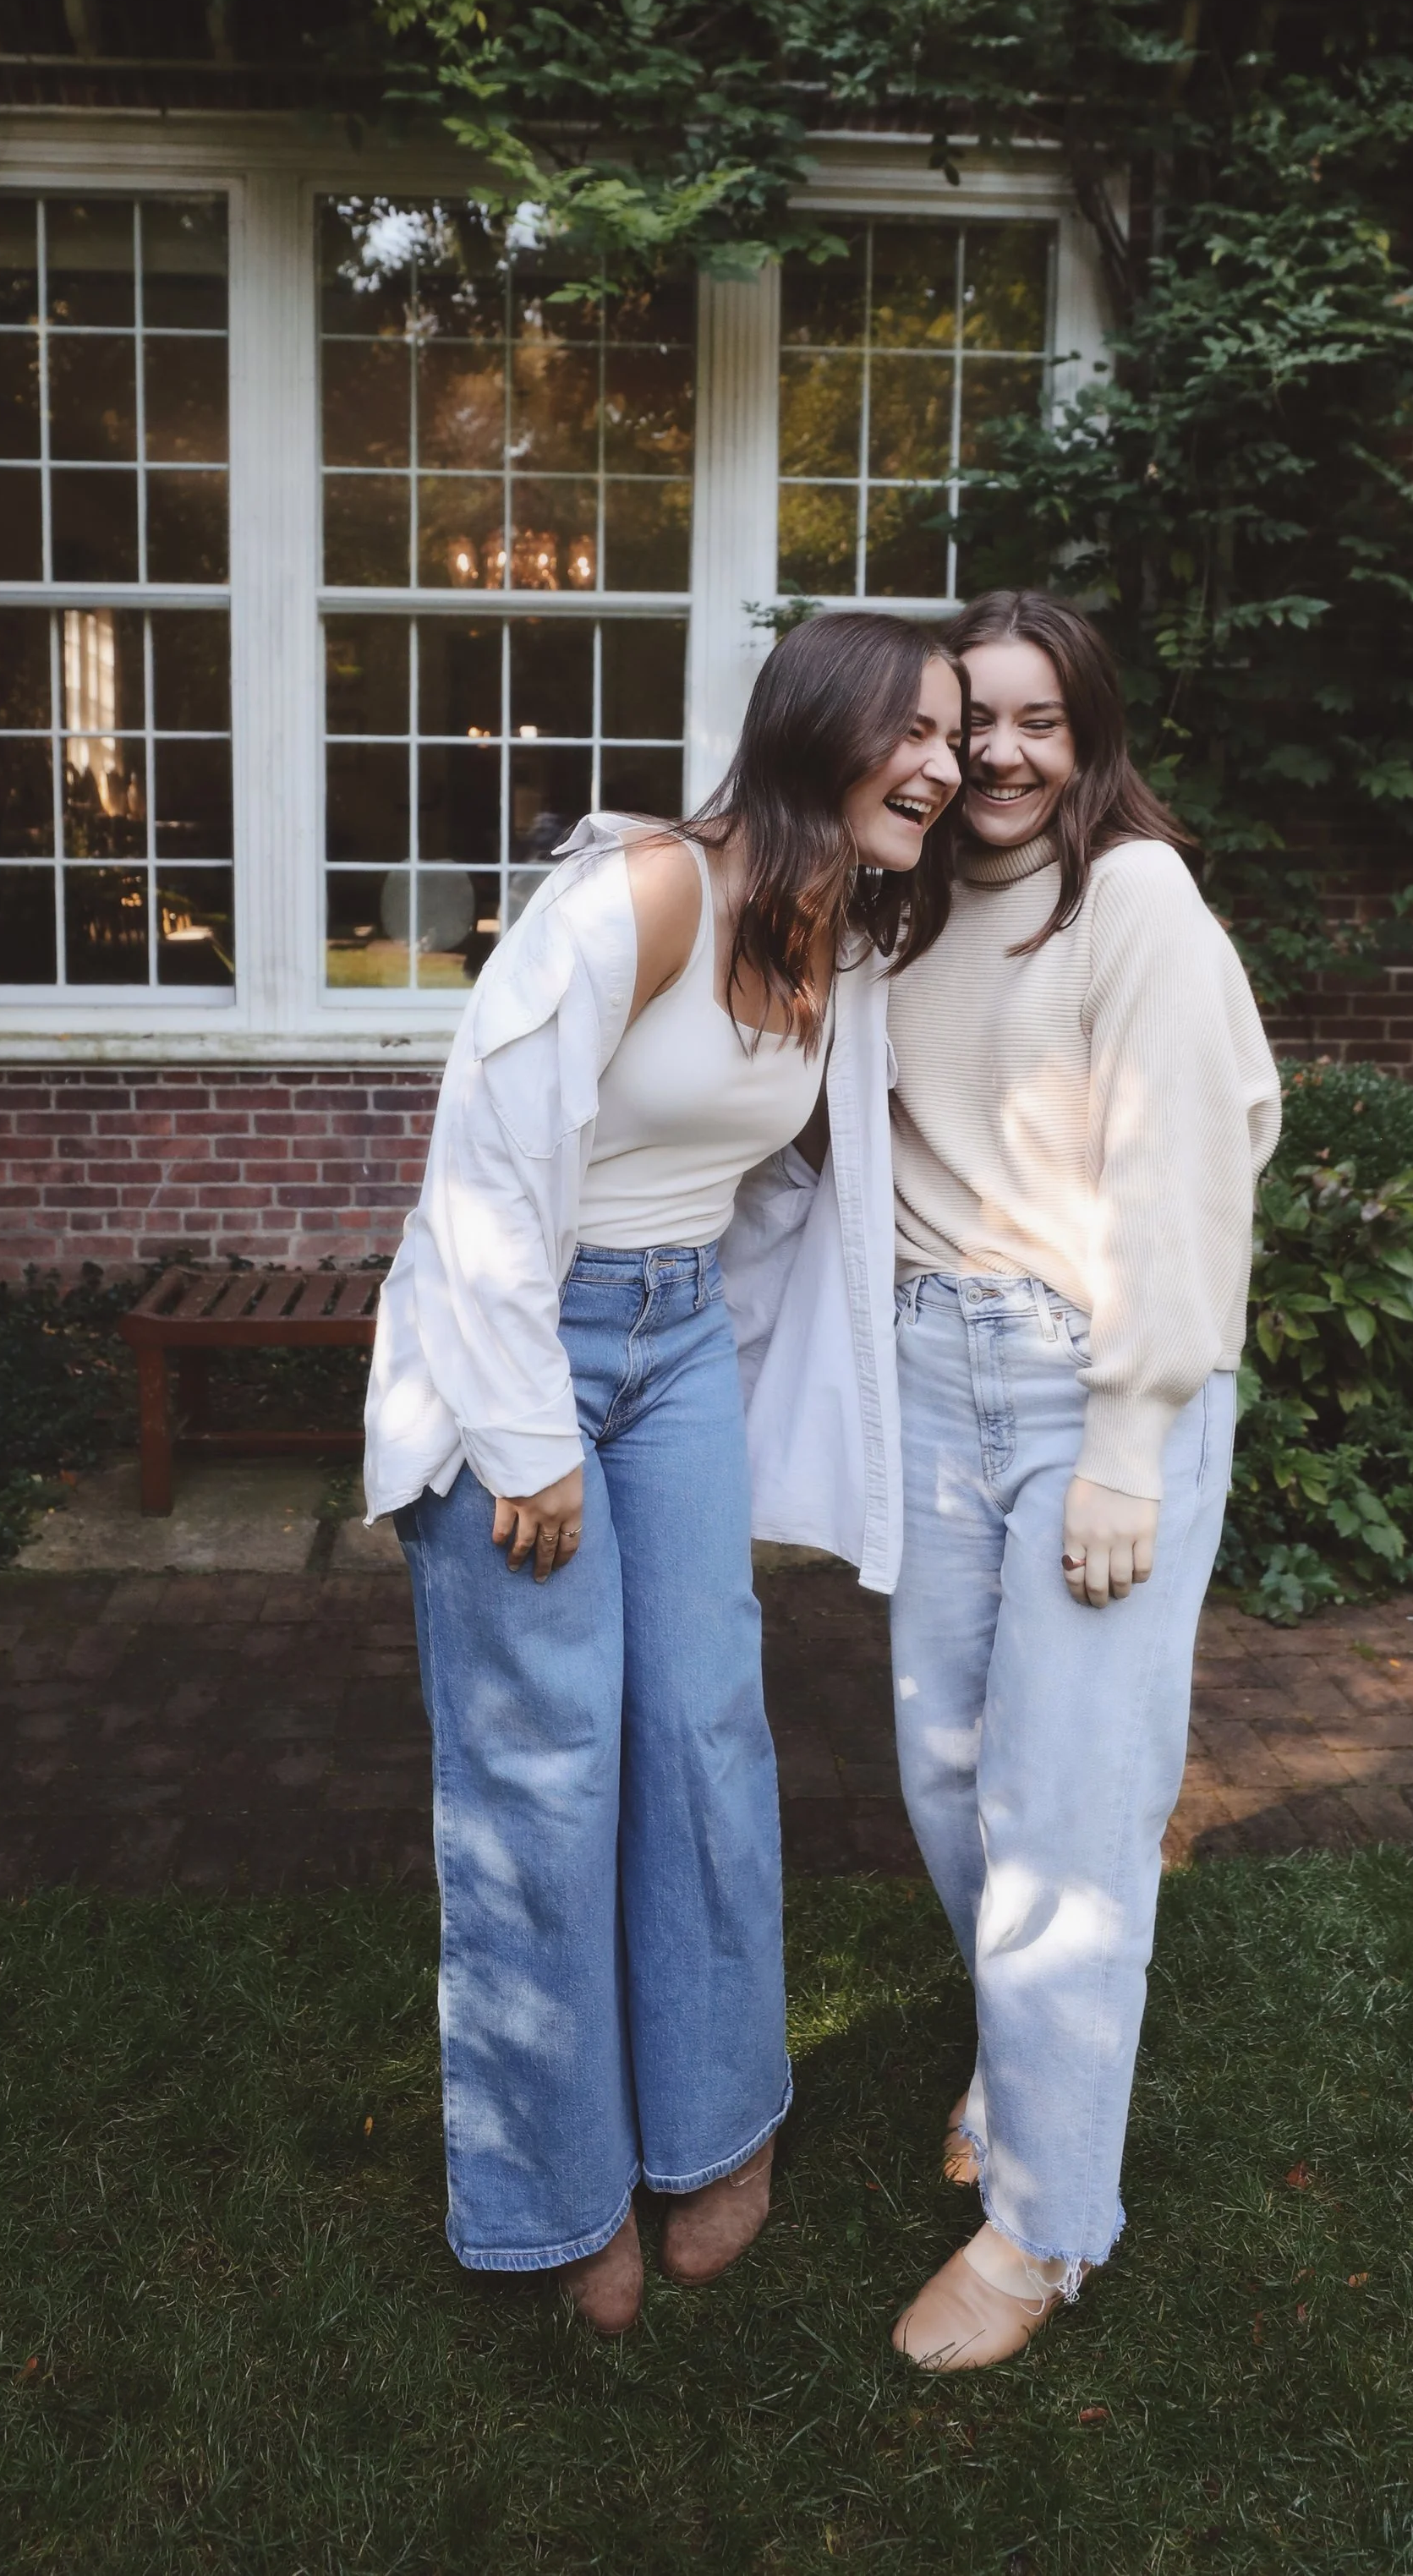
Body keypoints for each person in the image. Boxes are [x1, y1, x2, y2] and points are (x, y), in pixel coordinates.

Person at [364, 610, 963, 2336]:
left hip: (677, 1341)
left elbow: (767, 1174)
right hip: (521, 1353)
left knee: (703, 1731)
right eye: (904, 730)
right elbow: (480, 1162)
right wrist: (526, 1432)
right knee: (541, 1773)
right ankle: (553, 2192)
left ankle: (711, 2130)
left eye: (951, 735)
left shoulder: (838, 928)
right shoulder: (643, 893)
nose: (935, 762)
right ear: (813, 727)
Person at [882, 588, 1281, 2371]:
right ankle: (1018, 2043)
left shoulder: (1133, 902)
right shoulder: (897, 911)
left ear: (1089, 732)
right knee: (947, 1777)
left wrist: (1127, 1441)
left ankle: (1044, 2228)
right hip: (922, 1379)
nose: (999, 751)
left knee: (1064, 1820)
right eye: (970, 717)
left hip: (1079, 1395)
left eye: (1037, 718)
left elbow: (1197, 1172)